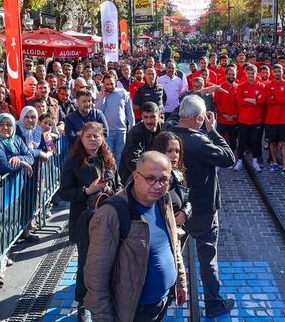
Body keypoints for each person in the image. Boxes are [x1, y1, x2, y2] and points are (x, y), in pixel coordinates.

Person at [84, 151, 187, 322]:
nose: (158, 185)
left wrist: (180, 281)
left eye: (164, 180)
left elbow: (173, 243)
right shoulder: (111, 213)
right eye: (150, 178)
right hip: (134, 312)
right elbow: (96, 275)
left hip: (162, 301)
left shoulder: (164, 200)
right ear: (136, 176)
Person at [171, 95, 235, 317]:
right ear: (199, 118)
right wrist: (213, 131)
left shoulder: (167, 136)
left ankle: (169, 292)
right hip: (203, 209)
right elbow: (229, 158)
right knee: (207, 257)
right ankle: (213, 302)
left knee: (172, 251)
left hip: (175, 207)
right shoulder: (200, 141)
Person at [57, 122, 122, 318]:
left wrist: (113, 193)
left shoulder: (108, 159)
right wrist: (87, 191)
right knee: (86, 262)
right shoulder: (72, 162)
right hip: (84, 219)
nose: (93, 139)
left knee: (110, 259)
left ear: (102, 138)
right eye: (89, 136)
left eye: (97, 136)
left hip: (109, 217)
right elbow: (64, 192)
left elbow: (118, 184)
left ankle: (107, 296)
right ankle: (82, 303)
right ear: (82, 139)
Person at [151, 131, 192, 236]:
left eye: (177, 151)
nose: (175, 155)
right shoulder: (149, 176)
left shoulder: (178, 173)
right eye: (169, 151)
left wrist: (185, 212)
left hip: (177, 233)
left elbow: (188, 198)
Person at [95, 75, 135, 163]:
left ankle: (118, 176)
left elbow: (129, 111)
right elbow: (98, 111)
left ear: (116, 82)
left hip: (121, 131)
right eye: (107, 84)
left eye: (111, 84)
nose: (109, 86)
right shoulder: (101, 95)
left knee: (120, 156)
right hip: (107, 132)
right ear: (103, 85)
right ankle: (111, 175)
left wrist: (132, 126)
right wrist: (103, 96)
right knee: (108, 155)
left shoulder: (123, 92)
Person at [235, 64, 265, 172]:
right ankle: (239, 161)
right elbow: (240, 102)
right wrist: (252, 100)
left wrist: (247, 99)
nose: (251, 75)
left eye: (253, 73)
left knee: (255, 141)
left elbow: (262, 101)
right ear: (246, 74)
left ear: (256, 74)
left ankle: (255, 161)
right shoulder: (241, 86)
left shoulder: (261, 86)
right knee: (242, 141)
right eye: (249, 73)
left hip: (257, 119)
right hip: (244, 119)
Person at [264, 64, 285, 178]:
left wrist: (275, 97)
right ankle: (275, 162)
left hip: (284, 119)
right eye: (275, 71)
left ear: (282, 71)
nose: (277, 73)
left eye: (279, 71)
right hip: (270, 119)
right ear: (272, 72)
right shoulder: (268, 85)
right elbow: (267, 100)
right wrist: (281, 97)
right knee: (272, 143)